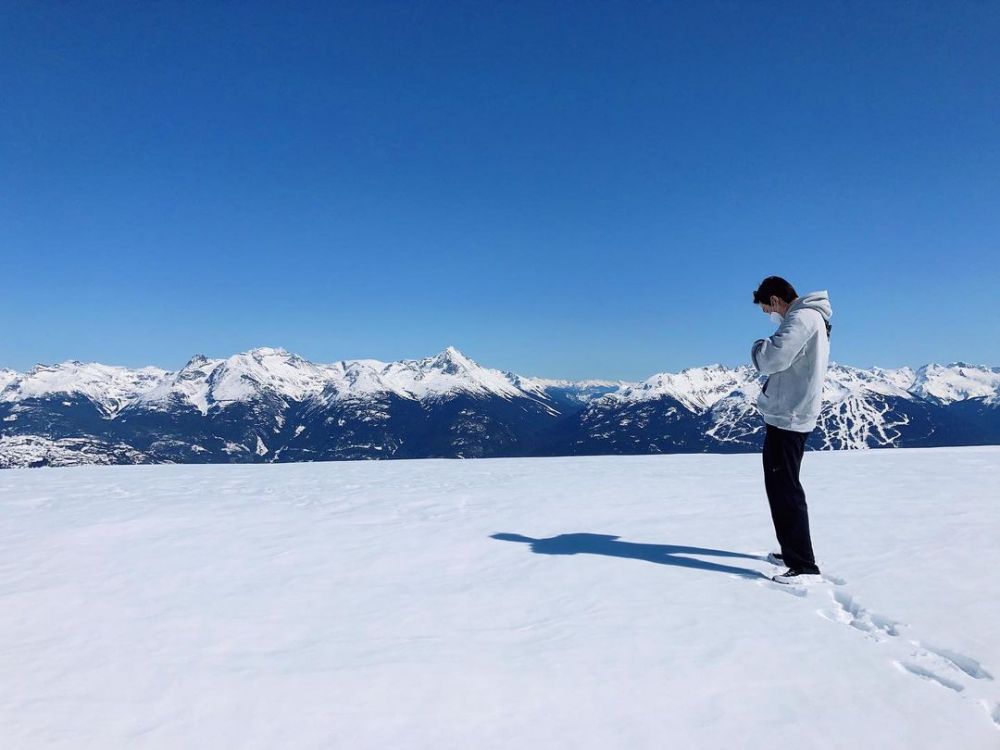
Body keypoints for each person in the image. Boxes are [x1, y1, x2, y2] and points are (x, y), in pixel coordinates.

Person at [750, 276, 832, 584]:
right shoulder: (813, 317)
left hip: (789, 416)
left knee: (785, 489)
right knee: (782, 486)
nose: (769, 316)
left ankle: (804, 566)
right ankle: (791, 550)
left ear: (774, 301)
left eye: (765, 310)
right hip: (792, 412)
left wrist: (759, 347)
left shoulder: (801, 317)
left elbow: (772, 359)